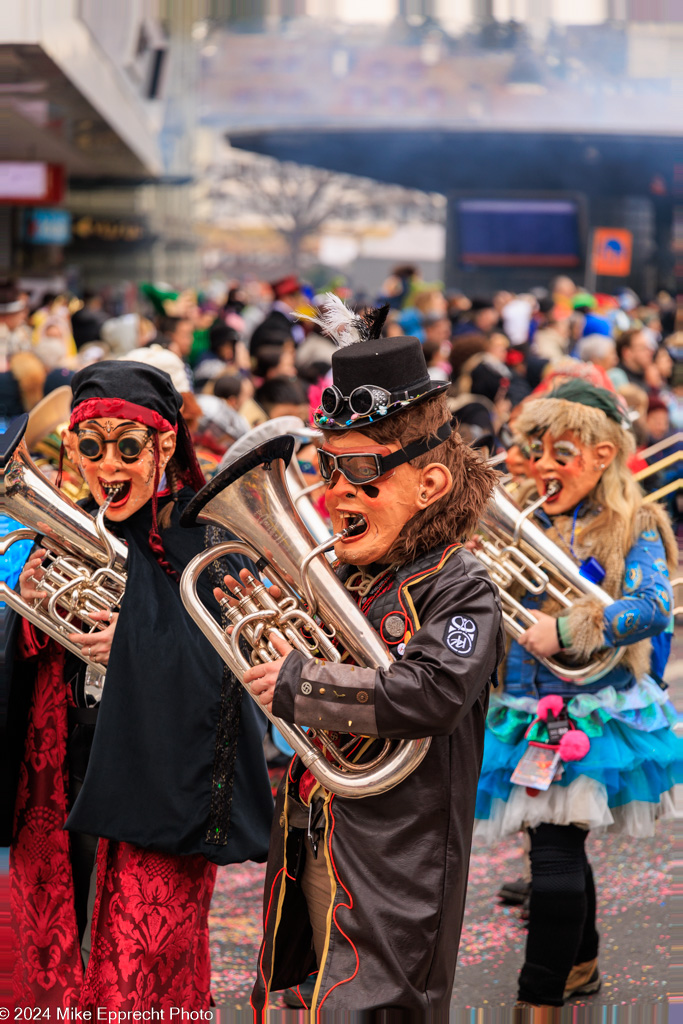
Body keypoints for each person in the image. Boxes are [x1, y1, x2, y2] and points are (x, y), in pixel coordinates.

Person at [219, 302, 504, 1016]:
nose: (332, 491)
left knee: (371, 1005)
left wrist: (299, 680)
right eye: (325, 467)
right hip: (317, 831)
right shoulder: (347, 572)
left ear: (429, 485)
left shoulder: (458, 583)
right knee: (303, 995)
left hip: (399, 853)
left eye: (360, 471)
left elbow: (432, 691)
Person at [9, 361, 273, 1011]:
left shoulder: (206, 533)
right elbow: (37, 654)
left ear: (163, 447)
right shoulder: (65, 524)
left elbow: (231, 665)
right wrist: (37, 611)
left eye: (129, 447)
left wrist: (131, 644)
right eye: (92, 448)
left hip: (160, 778)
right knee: (54, 945)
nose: (110, 467)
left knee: (145, 961)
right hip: (73, 762)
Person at [474, 379, 680, 1008]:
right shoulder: (519, 509)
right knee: (555, 844)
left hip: (595, 709)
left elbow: (654, 606)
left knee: (556, 862)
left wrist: (564, 628)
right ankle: (581, 964)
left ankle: (537, 996)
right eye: (535, 450)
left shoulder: (635, 520)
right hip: (521, 709)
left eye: (559, 452)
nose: (541, 466)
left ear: (601, 454)